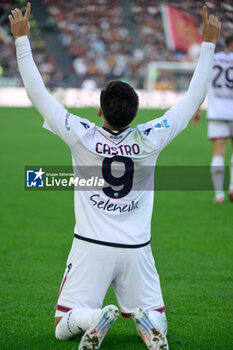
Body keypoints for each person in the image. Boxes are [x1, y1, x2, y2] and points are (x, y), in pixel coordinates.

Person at [9, 3, 221, 350]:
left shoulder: (82, 134)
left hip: (92, 246)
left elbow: (37, 94)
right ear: (136, 112)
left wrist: (22, 40)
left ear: (99, 111)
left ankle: (94, 318)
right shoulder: (150, 137)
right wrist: (209, 43)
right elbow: (194, 98)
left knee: (63, 323)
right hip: (137, 250)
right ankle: (149, 326)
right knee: (158, 316)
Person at [193, 35, 233, 203]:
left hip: (217, 112)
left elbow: (202, 82)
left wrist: (196, 108)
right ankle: (232, 186)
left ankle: (219, 195)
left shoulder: (214, 59)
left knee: (218, 153)